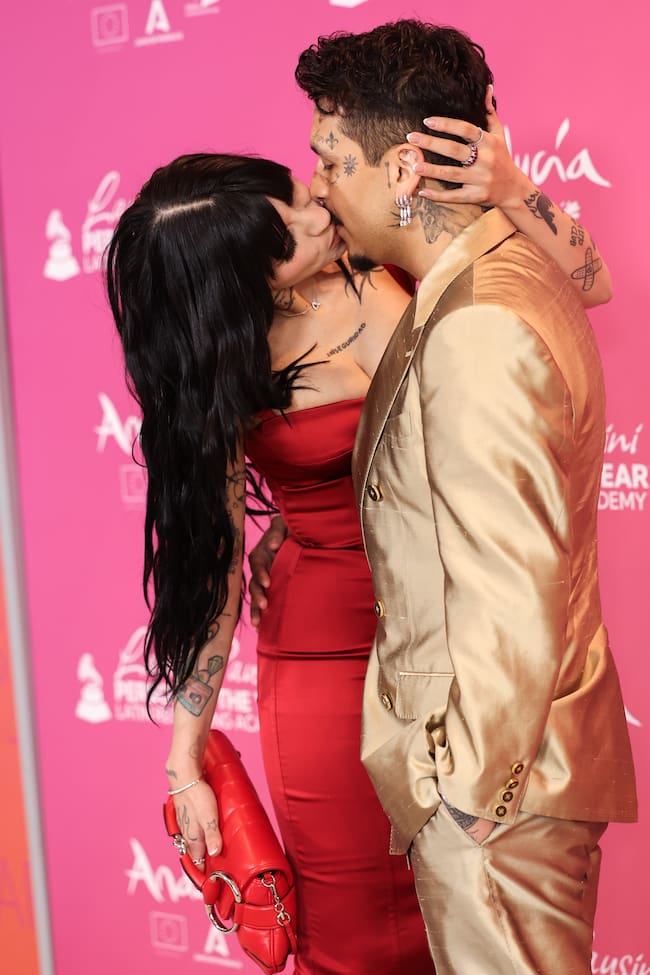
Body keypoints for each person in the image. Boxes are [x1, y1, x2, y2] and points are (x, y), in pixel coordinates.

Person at [106, 121, 615, 973]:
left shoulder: (391, 249)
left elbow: (584, 282)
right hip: (328, 661)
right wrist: (183, 763)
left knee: (485, 909)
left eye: (297, 197)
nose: (316, 214)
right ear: (234, 288)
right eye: (284, 238)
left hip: (474, 640)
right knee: (357, 936)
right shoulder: (229, 374)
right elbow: (213, 579)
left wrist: (509, 184)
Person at [286, 18, 637, 975]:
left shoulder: (477, 321)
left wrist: (470, 798)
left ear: (402, 168)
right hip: (515, 777)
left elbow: (510, 588)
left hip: (497, 800)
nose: (316, 182)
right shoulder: (500, 269)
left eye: (331, 156)